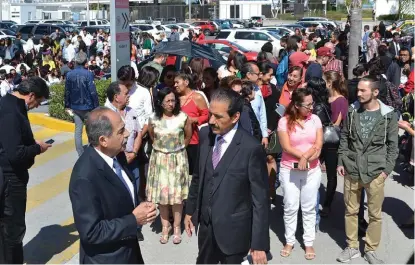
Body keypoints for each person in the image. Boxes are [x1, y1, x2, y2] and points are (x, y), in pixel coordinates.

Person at [184, 89, 270, 264]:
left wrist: (259, 243)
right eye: (210, 115)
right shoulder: (205, 135)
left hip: (234, 234)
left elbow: (260, 200)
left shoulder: (250, 148)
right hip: (206, 230)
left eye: (218, 116)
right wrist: (190, 211)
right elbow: (199, 177)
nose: (211, 121)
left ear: (235, 117)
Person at [69, 107, 157, 264]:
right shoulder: (85, 177)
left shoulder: (117, 155)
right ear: (103, 140)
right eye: (121, 131)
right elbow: (91, 233)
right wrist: (134, 220)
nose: (128, 134)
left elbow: (122, 190)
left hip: (129, 252)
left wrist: (141, 205)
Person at [336, 75, 399, 264]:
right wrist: (341, 161)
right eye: (359, 90)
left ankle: (371, 249)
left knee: (374, 215)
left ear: (375, 92)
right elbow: (345, 137)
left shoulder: (388, 116)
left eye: (363, 90)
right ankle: (352, 247)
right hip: (352, 168)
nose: (359, 93)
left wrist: (386, 171)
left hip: (375, 172)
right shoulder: (353, 110)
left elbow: (392, 146)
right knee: (350, 211)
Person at [0, 77, 51, 264]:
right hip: (11, 180)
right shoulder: (11, 111)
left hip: (10, 177)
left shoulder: (10, 104)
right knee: (12, 231)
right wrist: (38, 148)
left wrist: (32, 143)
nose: (36, 106)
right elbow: (15, 154)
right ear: (30, 95)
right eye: (38, 102)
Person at [277, 87, 323, 260]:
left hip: (312, 170)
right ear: (296, 105)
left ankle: (308, 241)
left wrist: (306, 157)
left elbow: (318, 144)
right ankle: (289, 240)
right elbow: (286, 147)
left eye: (312, 104)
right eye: (308, 105)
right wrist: (302, 157)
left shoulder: (315, 119)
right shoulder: (284, 121)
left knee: (309, 206)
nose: (311, 108)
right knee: (290, 205)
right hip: (290, 169)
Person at [146, 87, 192, 244]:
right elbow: (152, 136)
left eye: (173, 100)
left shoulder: (183, 117)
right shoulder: (153, 119)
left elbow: (188, 136)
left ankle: (177, 227)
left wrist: (177, 150)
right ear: (160, 102)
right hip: (159, 160)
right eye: (168, 101)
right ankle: (166, 227)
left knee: (177, 197)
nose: (171, 104)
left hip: (177, 160)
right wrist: (162, 150)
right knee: (163, 197)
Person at [104, 81, 144, 240]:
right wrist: (122, 153)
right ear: (116, 97)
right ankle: (123, 225)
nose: (128, 96)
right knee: (119, 195)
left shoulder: (132, 111)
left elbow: (138, 133)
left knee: (134, 191)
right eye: (126, 93)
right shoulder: (106, 115)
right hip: (116, 161)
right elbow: (107, 140)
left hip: (132, 159)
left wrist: (133, 152)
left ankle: (137, 226)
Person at [65, 51, 99, 157]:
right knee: (90, 130)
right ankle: (90, 152)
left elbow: (67, 91)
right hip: (88, 106)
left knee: (78, 131)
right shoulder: (88, 74)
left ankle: (80, 154)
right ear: (85, 61)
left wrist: (67, 104)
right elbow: (92, 91)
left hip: (75, 106)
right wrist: (96, 106)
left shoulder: (69, 74)